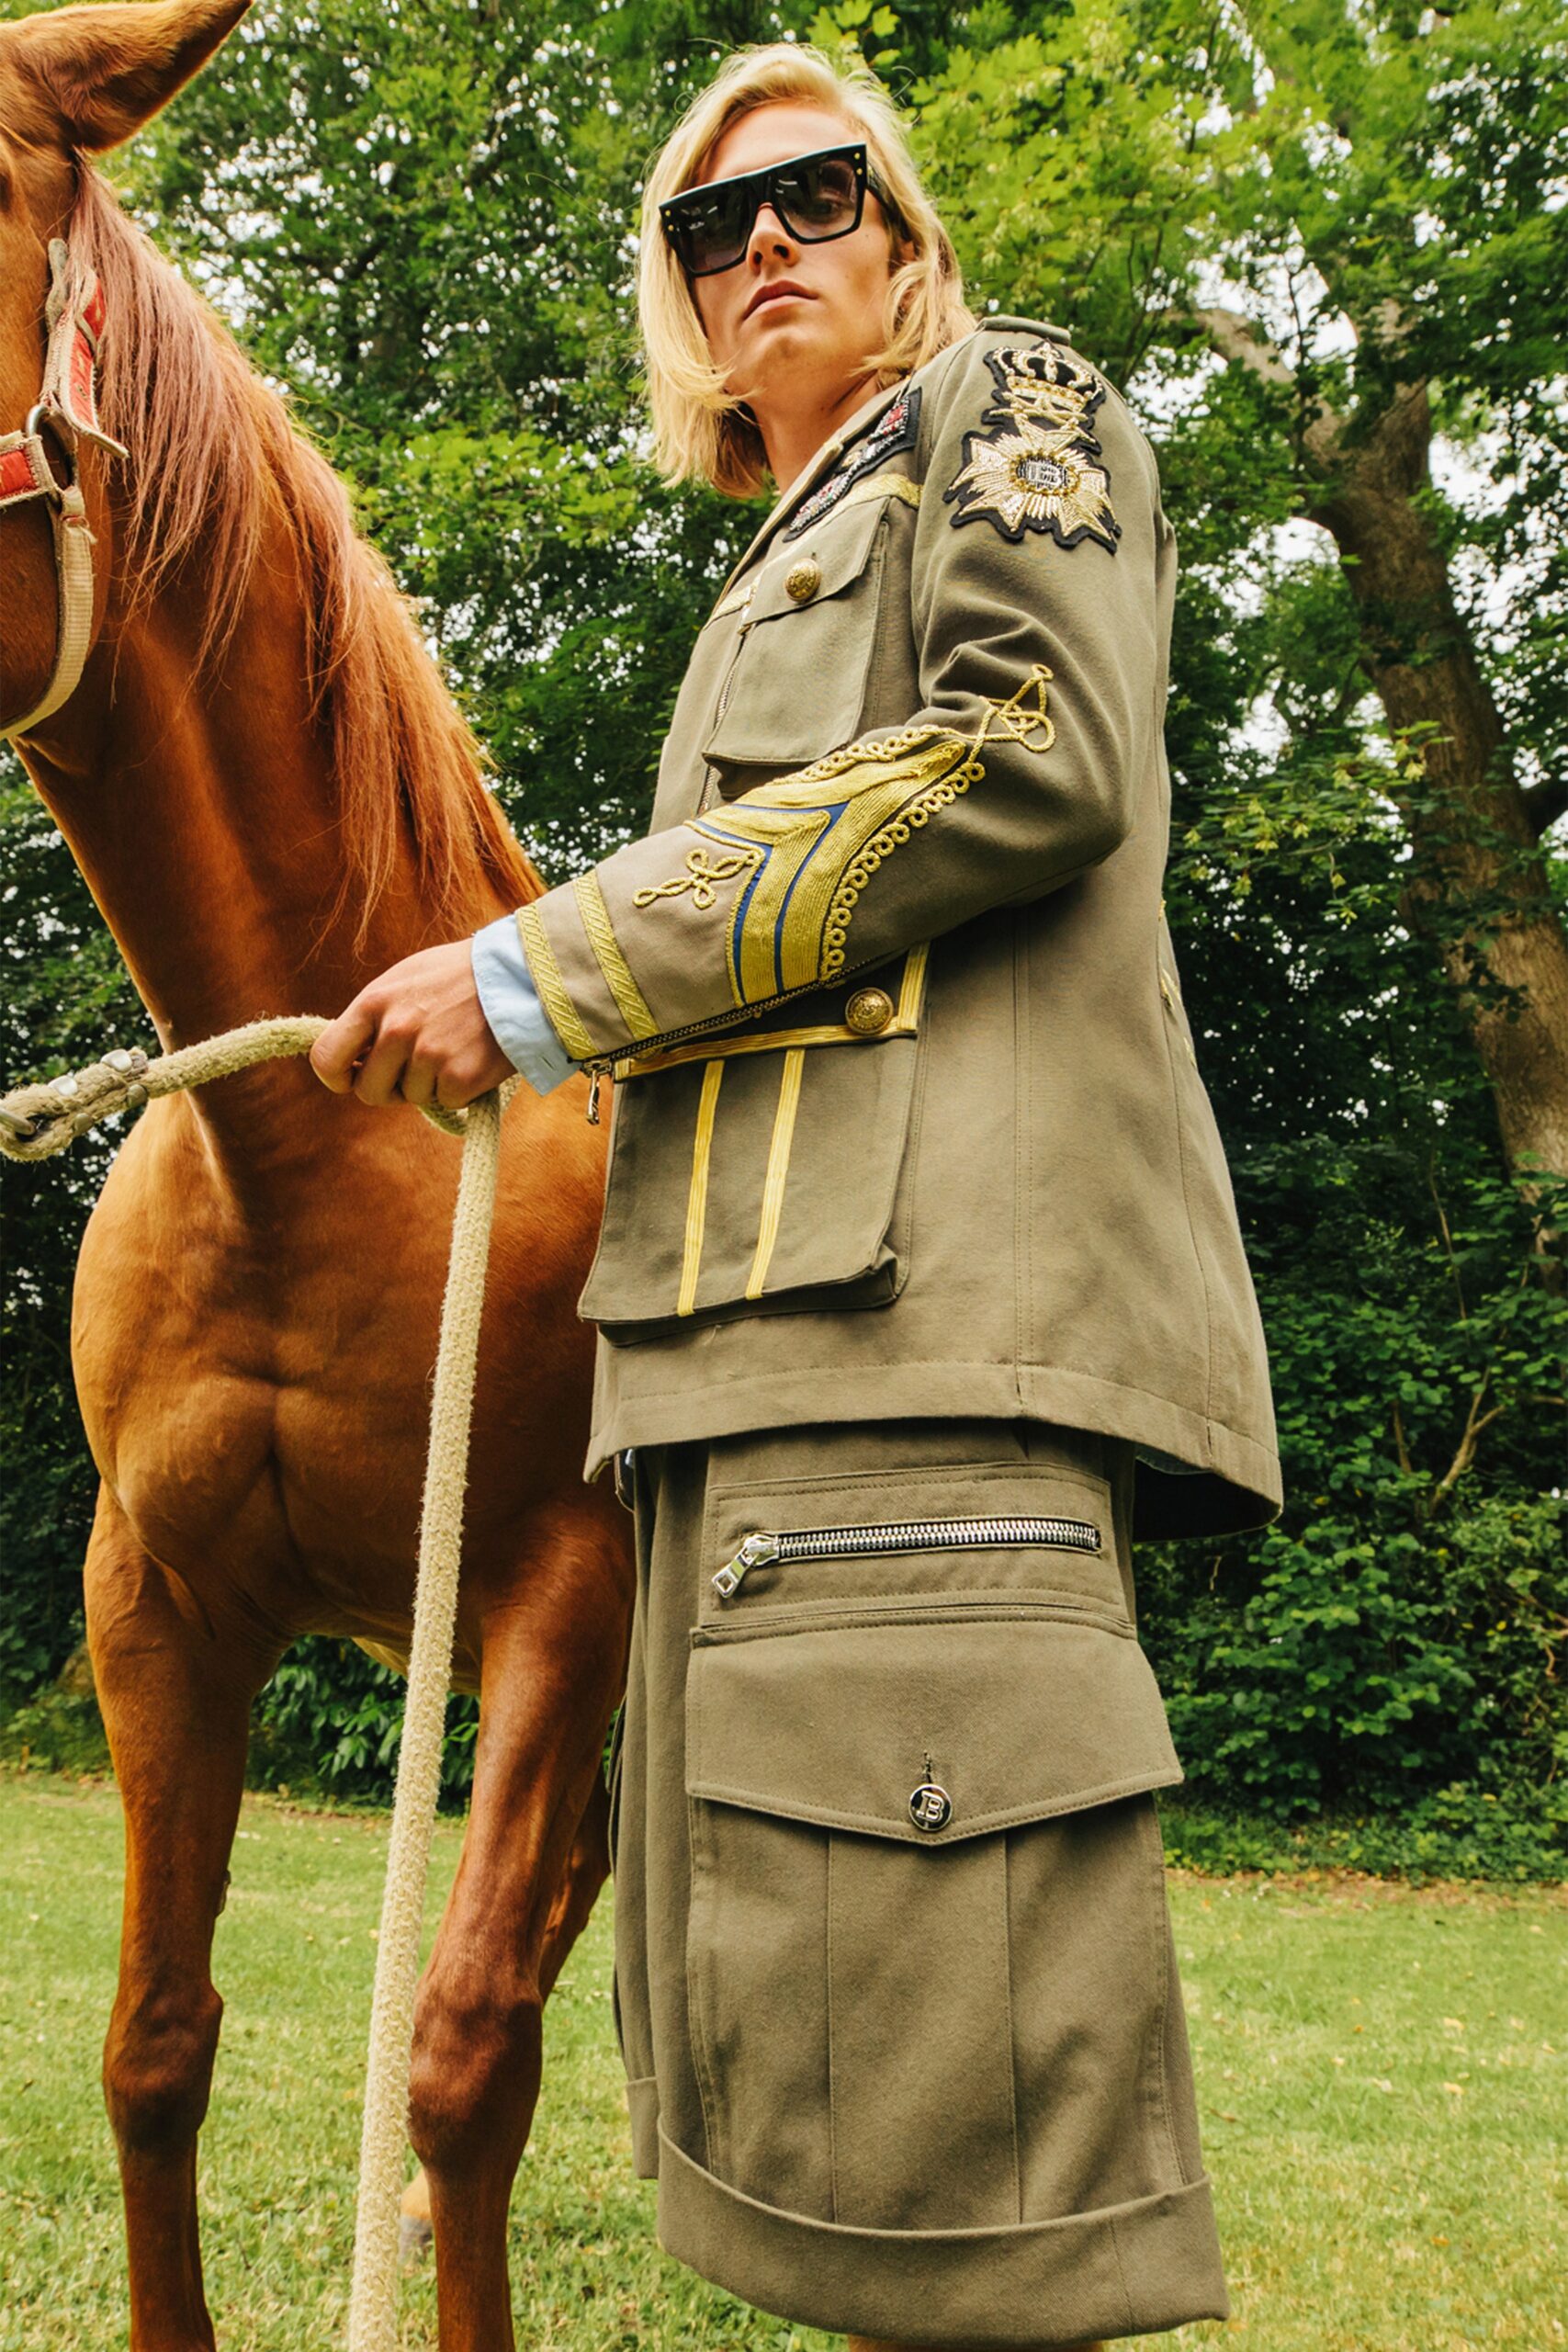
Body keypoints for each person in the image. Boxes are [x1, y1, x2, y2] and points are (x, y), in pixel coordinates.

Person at [311, 40, 1280, 2351]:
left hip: (919, 1359)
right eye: (706, 227)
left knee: (958, 2199)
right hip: (738, 1406)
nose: (761, 247)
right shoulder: (762, 563)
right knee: (819, 2136)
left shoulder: (1001, 409)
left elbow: (1024, 750)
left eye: (816, 197)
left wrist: (539, 968)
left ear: (905, 234)